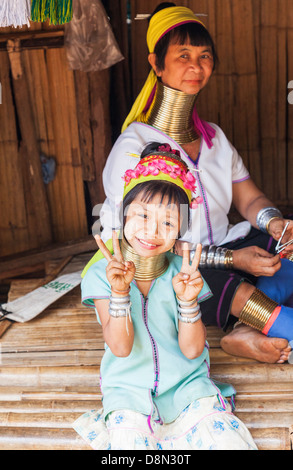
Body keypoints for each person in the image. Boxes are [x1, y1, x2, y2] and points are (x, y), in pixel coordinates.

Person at [98, 3, 293, 364]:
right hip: (170, 264)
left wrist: (275, 224)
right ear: (156, 63)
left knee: (285, 255)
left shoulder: (214, 139)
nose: (196, 65)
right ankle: (258, 316)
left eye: (204, 56)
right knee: (227, 288)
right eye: (183, 55)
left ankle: (242, 333)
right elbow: (139, 238)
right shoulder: (135, 146)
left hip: (229, 248)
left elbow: (248, 200)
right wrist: (235, 260)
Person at [73, 144, 257, 450]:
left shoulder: (182, 273)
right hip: (129, 395)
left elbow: (192, 349)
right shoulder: (102, 274)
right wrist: (120, 293)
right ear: (123, 214)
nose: (153, 231)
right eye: (142, 216)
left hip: (189, 390)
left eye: (168, 222)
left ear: (181, 232)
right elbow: (120, 347)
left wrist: (187, 301)